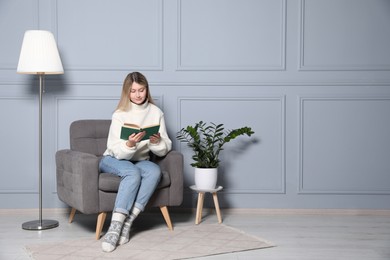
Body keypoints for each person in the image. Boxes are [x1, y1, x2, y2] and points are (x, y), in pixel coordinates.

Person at [99, 72, 172, 252]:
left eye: (141, 90)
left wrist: (156, 143)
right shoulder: (120, 114)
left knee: (154, 171)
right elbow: (113, 147)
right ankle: (114, 229)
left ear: (147, 90)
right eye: (133, 91)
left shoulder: (156, 112)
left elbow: (166, 146)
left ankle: (127, 222)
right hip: (113, 159)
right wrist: (130, 144)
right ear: (127, 92)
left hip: (140, 160)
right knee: (132, 173)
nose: (138, 95)